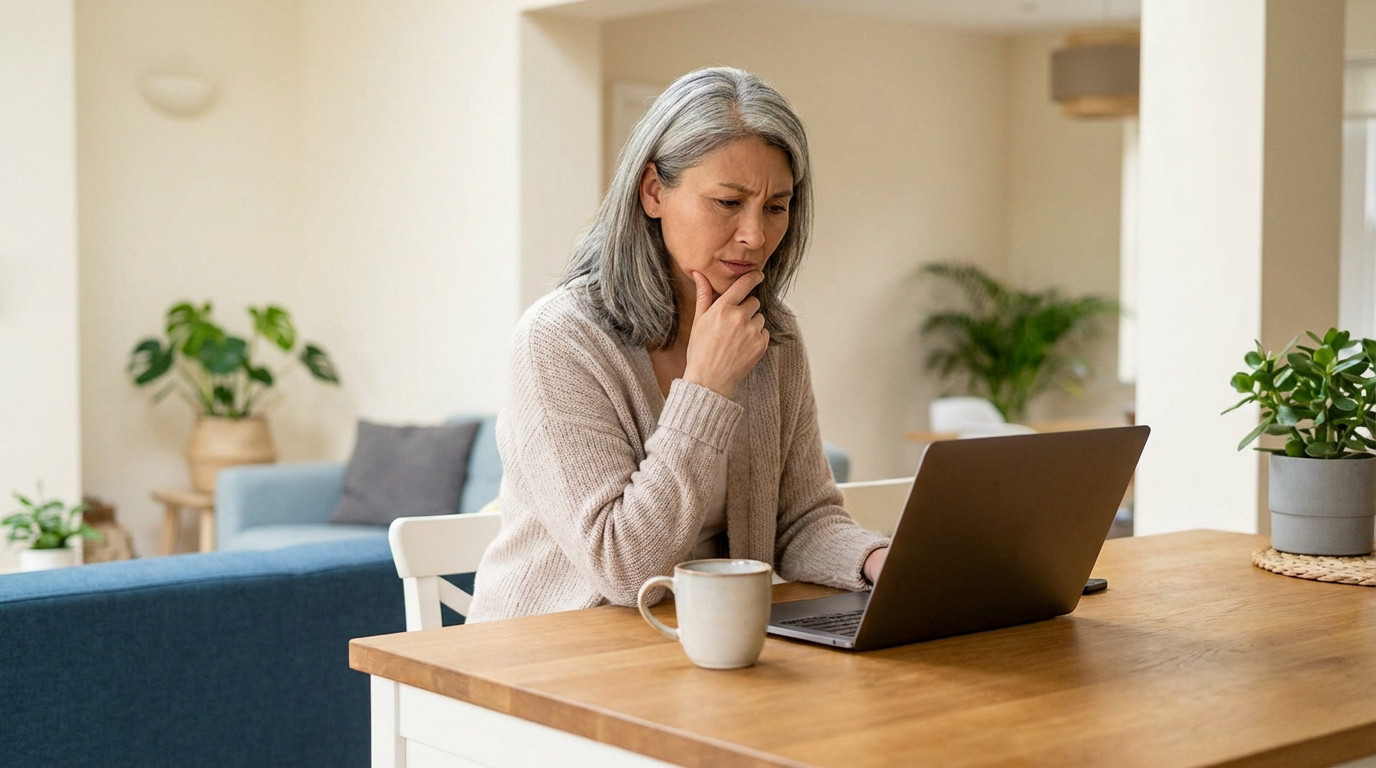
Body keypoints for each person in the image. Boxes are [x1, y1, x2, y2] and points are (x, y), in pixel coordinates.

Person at [466, 66, 889, 622]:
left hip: (703, 639)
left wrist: (880, 559)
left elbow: (802, 519)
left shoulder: (771, 334)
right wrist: (707, 386)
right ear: (653, 192)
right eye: (727, 202)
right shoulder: (560, 339)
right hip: (553, 654)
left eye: (776, 206)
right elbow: (623, 566)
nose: (755, 235)